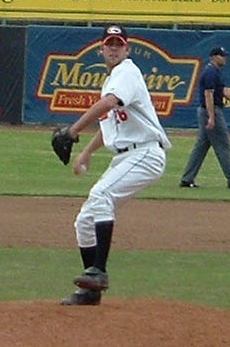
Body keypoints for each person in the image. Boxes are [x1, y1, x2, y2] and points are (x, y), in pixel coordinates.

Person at [60, 25, 171, 305]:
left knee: (101, 195)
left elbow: (108, 104)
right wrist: (86, 152)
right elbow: (109, 122)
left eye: (118, 44)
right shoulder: (112, 80)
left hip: (146, 153)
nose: (113, 48)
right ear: (101, 49)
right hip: (127, 155)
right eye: (108, 44)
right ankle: (90, 291)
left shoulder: (127, 72)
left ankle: (99, 272)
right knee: (84, 221)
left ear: (127, 49)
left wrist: (72, 131)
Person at [179, 46, 230, 189]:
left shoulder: (215, 72)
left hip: (208, 111)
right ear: (214, 56)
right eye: (222, 56)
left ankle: (187, 179)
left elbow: (224, 92)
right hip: (211, 110)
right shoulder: (210, 73)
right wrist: (212, 117)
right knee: (223, 145)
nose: (225, 58)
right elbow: (209, 95)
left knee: (201, 146)